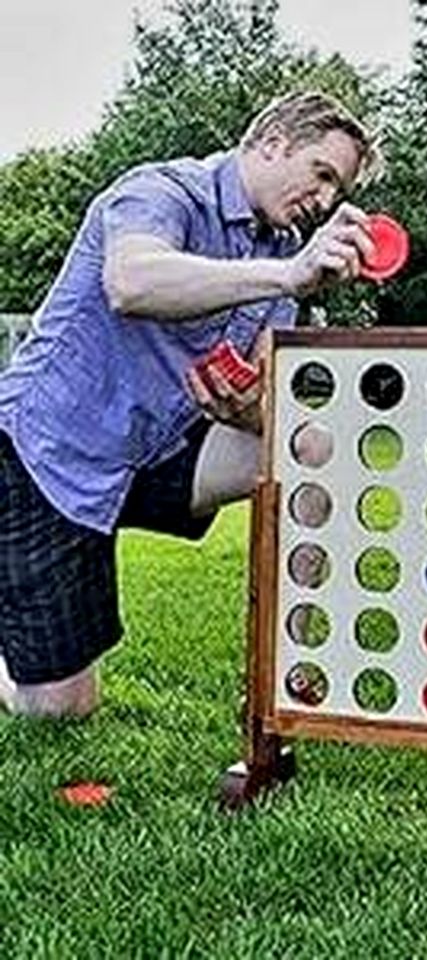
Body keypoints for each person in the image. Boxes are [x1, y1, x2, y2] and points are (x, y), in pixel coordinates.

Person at [0, 90, 381, 718]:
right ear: (273, 142)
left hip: (152, 452)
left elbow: (263, 400)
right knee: (59, 710)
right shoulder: (163, 191)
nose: (324, 201)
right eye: (322, 175)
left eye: (336, 190)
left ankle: (288, 669)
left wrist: (245, 409)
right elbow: (133, 283)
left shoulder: (282, 253)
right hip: (48, 456)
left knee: (309, 443)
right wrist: (289, 276)